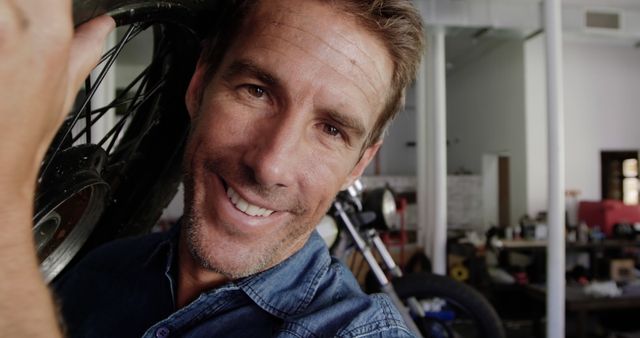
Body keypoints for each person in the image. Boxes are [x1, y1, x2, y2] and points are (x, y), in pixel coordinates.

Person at [0, 0, 424, 336]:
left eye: (331, 129)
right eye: (256, 91)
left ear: (360, 164)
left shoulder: (357, 334)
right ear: (198, 87)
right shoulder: (98, 272)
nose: (269, 164)